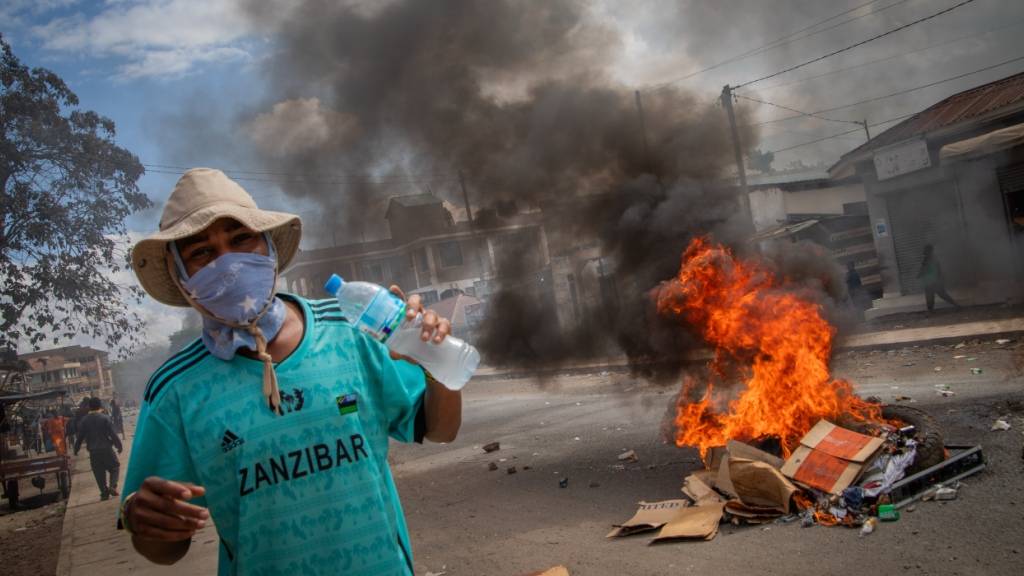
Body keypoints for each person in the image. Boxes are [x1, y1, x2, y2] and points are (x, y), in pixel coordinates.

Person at [118, 168, 462, 575]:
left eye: (240, 238)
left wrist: (438, 363)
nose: (226, 262)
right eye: (201, 253)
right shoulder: (175, 389)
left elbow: (439, 429)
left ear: (268, 248)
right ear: (182, 277)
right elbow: (164, 548)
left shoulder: (352, 326)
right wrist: (147, 526)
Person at [74, 397, 123, 500]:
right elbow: (112, 434)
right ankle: (112, 486)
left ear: (89, 407)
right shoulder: (105, 418)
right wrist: (119, 445)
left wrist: (76, 448)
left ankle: (104, 493)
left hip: (93, 451)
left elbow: (80, 437)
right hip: (106, 448)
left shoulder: (84, 420)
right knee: (115, 467)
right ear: (100, 405)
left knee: (98, 473)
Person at [917, 244, 959, 312]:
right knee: (937, 295)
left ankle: (931, 310)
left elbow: (924, 269)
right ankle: (955, 305)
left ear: (928, 251)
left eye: (925, 250)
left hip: (931, 281)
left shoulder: (929, 258)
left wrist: (919, 275)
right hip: (932, 281)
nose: (924, 251)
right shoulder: (932, 258)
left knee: (932, 296)